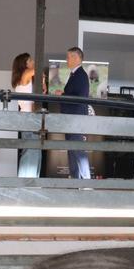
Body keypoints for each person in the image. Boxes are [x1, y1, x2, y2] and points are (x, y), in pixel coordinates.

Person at [61, 46, 92, 180]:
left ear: (76, 58)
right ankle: (76, 181)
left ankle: (85, 182)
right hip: (72, 120)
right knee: (73, 152)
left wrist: (62, 95)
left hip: (76, 120)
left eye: (68, 57)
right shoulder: (76, 75)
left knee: (78, 152)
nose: (66, 60)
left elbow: (77, 97)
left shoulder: (80, 75)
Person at [12, 52, 41, 178]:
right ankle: (26, 183)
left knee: (33, 151)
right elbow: (38, 69)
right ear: (24, 64)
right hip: (29, 119)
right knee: (31, 151)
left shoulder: (23, 77)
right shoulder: (26, 74)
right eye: (30, 60)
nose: (33, 62)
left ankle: (30, 182)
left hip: (28, 118)